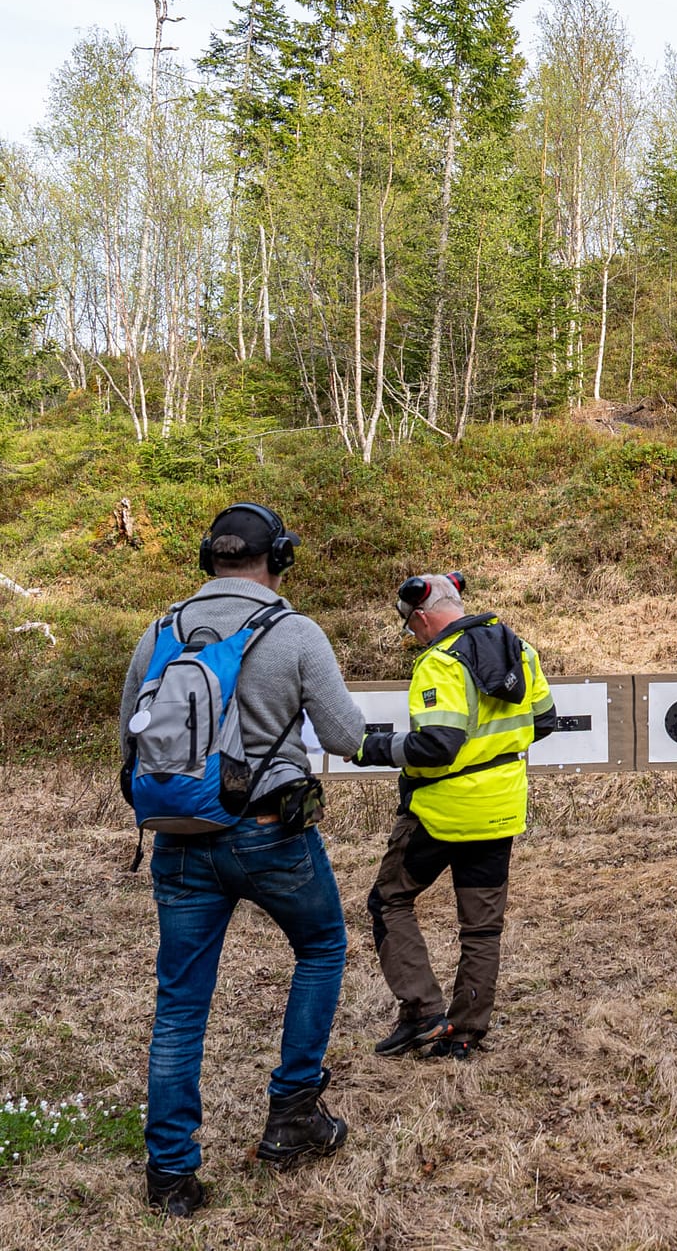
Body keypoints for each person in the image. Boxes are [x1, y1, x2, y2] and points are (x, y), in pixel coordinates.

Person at [120, 503, 367, 1216]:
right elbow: (346, 735)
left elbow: (128, 738)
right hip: (270, 834)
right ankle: (291, 1114)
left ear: (208, 559)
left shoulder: (158, 630)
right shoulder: (294, 632)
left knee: (180, 1004)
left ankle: (170, 1177)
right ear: (279, 559)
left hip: (179, 838)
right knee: (321, 945)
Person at [353, 573, 556, 1061]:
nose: (414, 639)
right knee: (482, 928)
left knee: (389, 901)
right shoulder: (520, 649)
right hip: (501, 808)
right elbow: (544, 721)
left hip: (440, 813)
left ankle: (423, 1013)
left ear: (421, 618)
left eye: (411, 630)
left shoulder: (439, 662)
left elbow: (436, 747)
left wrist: (369, 747)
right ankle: (465, 1033)